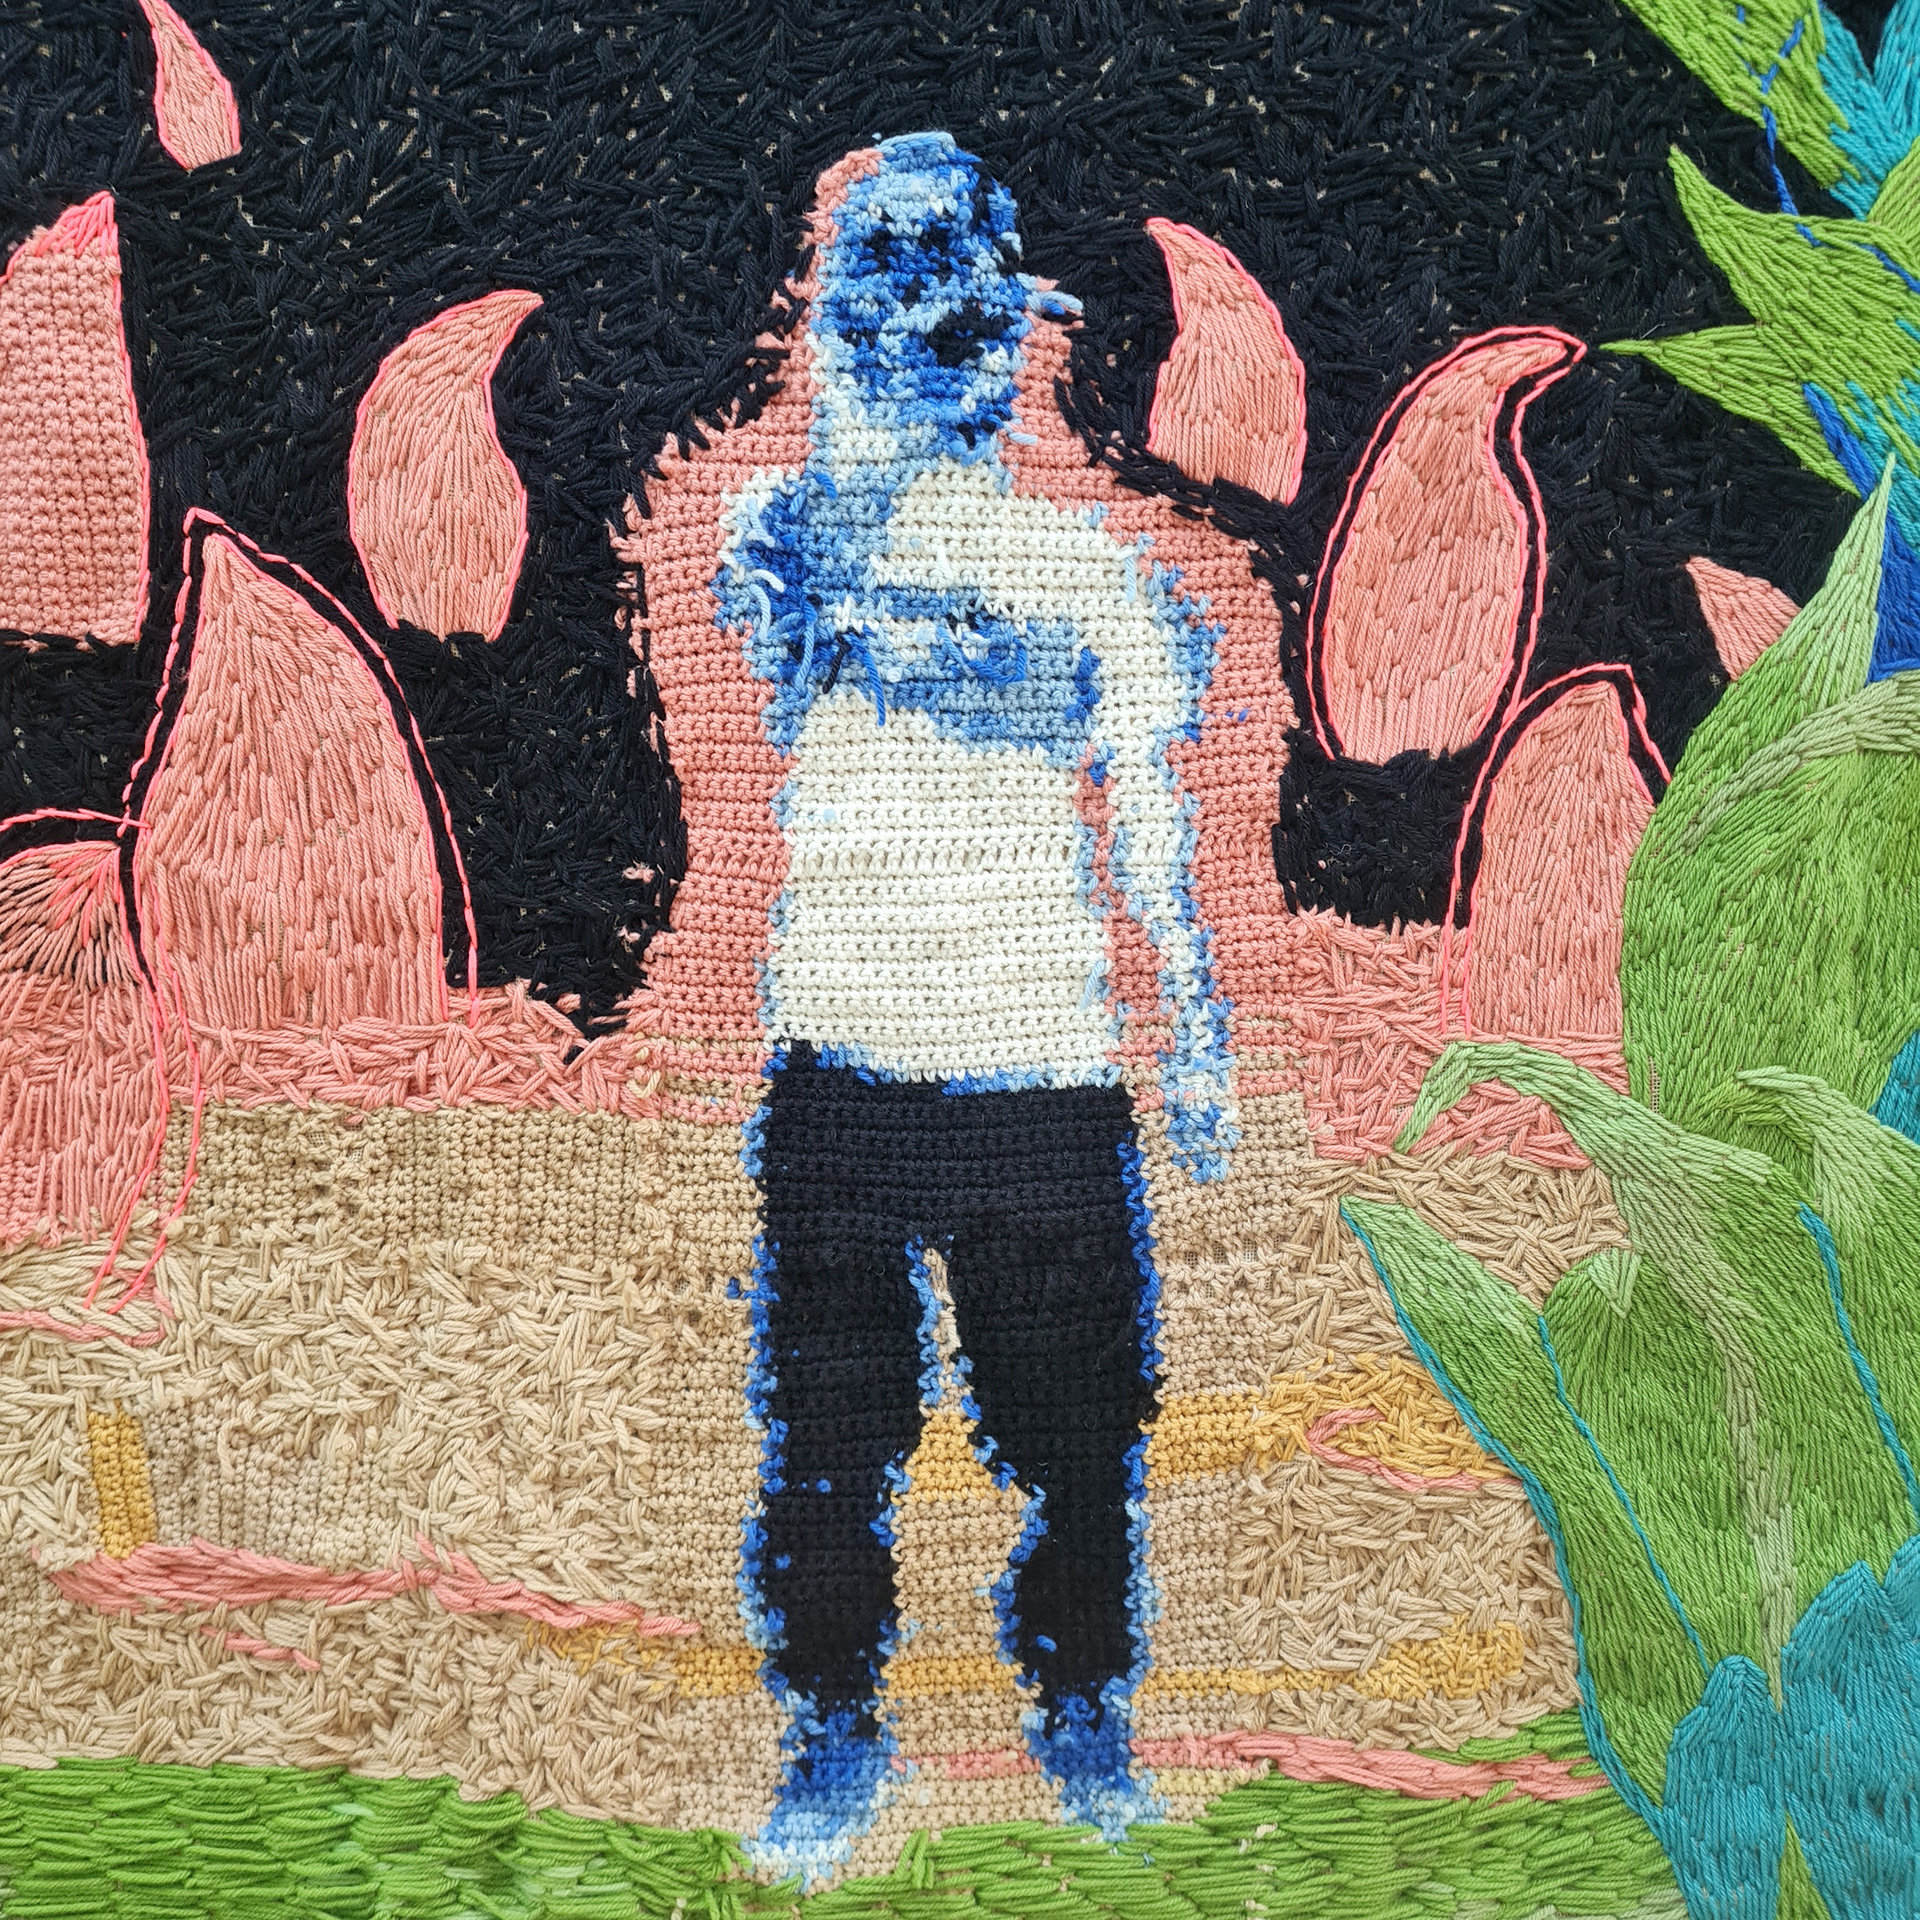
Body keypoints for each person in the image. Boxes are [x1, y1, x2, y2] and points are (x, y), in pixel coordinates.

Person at [713, 130, 1238, 1879]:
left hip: (1043, 1070)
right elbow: (800, 600)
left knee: (1081, 1439)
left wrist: (1196, 1039)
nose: (948, 359)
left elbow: (1150, 820)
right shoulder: (788, 534)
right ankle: (831, 1745)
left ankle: (1084, 1726)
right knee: (830, 1443)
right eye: (905, 318)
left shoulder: (1093, 575)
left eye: (967, 324)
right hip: (844, 1064)